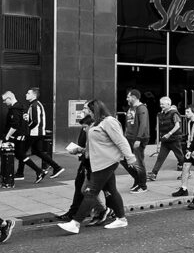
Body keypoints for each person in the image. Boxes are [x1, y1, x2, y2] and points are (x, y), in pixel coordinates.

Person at [57, 100, 135, 234]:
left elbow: (121, 140)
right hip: (98, 163)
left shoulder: (109, 122)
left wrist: (130, 157)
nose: (85, 111)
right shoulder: (96, 123)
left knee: (90, 192)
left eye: (87, 109)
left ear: (95, 109)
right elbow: (97, 144)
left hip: (106, 162)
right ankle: (121, 219)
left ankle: (75, 223)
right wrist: (81, 151)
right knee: (111, 191)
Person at [2, 91, 46, 185]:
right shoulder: (22, 107)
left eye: (5, 100)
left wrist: (7, 136)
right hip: (21, 135)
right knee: (20, 155)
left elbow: (15, 125)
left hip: (17, 136)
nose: (4, 102)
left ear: (9, 98)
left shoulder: (15, 109)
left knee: (18, 154)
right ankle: (37, 171)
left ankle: (38, 171)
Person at [24, 88, 65, 178]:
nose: (26, 94)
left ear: (34, 95)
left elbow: (35, 121)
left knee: (21, 153)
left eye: (28, 93)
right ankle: (56, 167)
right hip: (39, 133)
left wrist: (27, 129)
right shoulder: (37, 104)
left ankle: (24, 173)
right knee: (38, 152)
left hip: (34, 133)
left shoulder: (34, 105)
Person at [148, 97, 184, 182]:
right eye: (160, 104)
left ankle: (186, 172)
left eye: (162, 104)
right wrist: (160, 137)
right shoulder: (162, 113)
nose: (161, 106)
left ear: (168, 104)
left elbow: (177, 126)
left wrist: (169, 134)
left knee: (180, 157)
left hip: (174, 139)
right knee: (160, 157)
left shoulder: (174, 113)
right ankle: (154, 174)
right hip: (165, 140)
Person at [123, 89, 149, 193]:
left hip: (138, 139)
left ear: (134, 97)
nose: (127, 99)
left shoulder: (141, 108)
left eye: (128, 97)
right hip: (129, 138)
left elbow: (143, 124)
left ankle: (142, 185)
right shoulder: (131, 108)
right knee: (124, 159)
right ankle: (137, 180)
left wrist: (138, 139)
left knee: (138, 162)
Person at [173, 106, 194, 197]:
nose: (186, 114)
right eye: (186, 112)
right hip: (191, 148)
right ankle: (184, 188)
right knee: (185, 165)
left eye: (188, 112)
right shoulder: (190, 122)